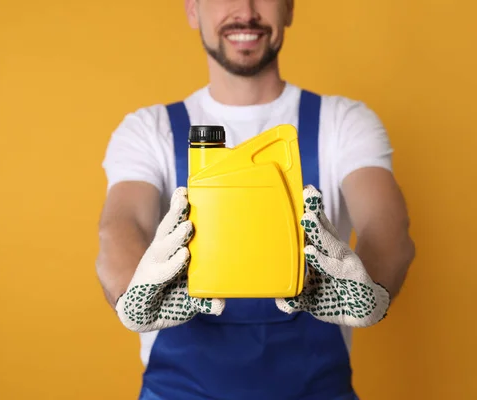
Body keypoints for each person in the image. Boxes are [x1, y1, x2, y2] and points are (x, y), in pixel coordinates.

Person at [95, 0, 415, 399]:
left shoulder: (342, 121)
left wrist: (373, 292)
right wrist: (134, 296)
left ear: (289, 9)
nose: (245, 10)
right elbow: (122, 226)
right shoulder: (149, 129)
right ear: (193, 10)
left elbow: (385, 226)